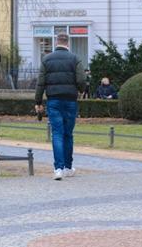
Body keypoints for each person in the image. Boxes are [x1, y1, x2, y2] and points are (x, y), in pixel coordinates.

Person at [34, 33, 85, 180]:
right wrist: (81, 90)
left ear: (57, 42)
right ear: (67, 43)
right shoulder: (75, 58)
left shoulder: (46, 59)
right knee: (68, 134)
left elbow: (40, 83)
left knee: (57, 133)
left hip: (53, 100)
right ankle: (68, 167)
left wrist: (38, 102)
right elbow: (81, 79)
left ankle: (58, 169)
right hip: (70, 100)